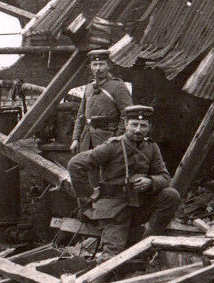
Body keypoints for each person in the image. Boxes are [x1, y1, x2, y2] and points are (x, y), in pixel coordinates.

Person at [66, 105, 181, 252]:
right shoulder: (112, 146)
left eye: (143, 126)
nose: (138, 130)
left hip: (138, 206)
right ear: (126, 125)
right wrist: (89, 195)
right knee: (112, 254)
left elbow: (165, 177)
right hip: (114, 210)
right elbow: (75, 164)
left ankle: (148, 244)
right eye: (134, 125)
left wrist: (150, 182)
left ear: (149, 127)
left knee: (171, 195)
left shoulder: (151, 147)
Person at [69, 48, 133, 152]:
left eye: (101, 64)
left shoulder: (117, 86)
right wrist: (75, 139)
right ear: (90, 67)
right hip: (87, 139)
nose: (98, 68)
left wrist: (118, 138)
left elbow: (127, 114)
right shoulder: (89, 87)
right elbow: (80, 115)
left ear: (109, 66)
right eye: (95, 64)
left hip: (108, 139)